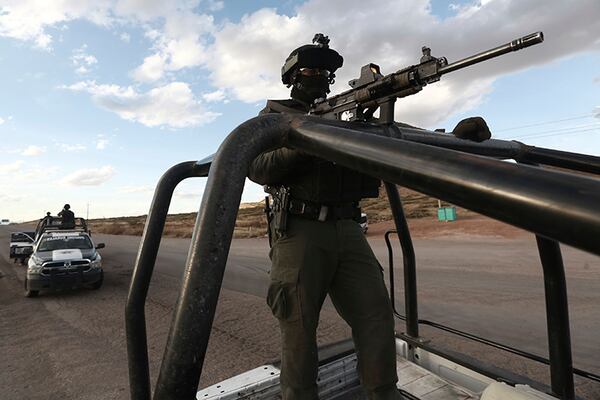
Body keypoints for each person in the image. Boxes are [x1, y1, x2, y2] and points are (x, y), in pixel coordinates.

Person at [248, 34, 401, 400]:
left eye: (326, 71)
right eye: (310, 69)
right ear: (292, 78)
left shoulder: (345, 117)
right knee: (298, 329)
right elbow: (257, 167)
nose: (319, 76)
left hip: (348, 228)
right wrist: (311, 141)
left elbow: (393, 141)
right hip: (299, 231)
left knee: (376, 315)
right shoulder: (273, 118)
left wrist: (456, 139)